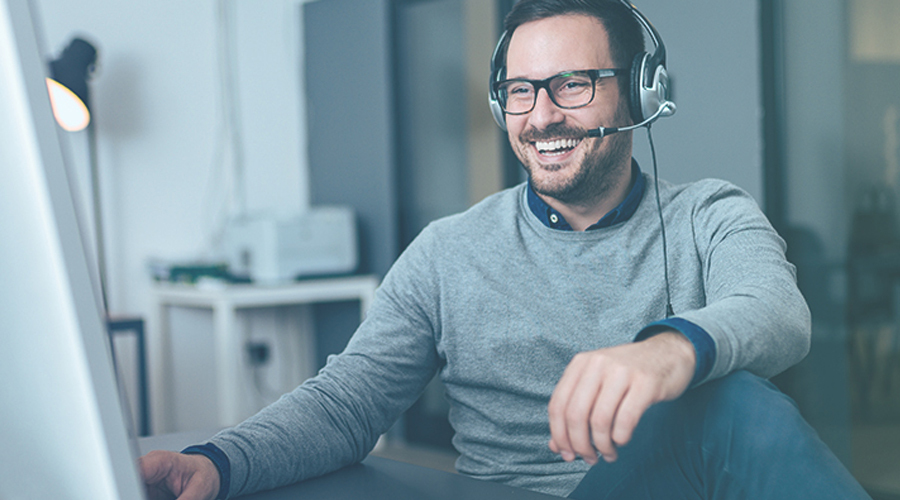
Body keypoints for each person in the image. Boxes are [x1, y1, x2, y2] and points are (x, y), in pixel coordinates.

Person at [140, 1, 870, 499]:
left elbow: (777, 310)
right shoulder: (447, 251)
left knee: (730, 402)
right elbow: (346, 403)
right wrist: (217, 462)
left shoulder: (709, 213)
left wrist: (670, 351)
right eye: (520, 91)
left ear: (640, 96)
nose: (542, 115)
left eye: (573, 85)